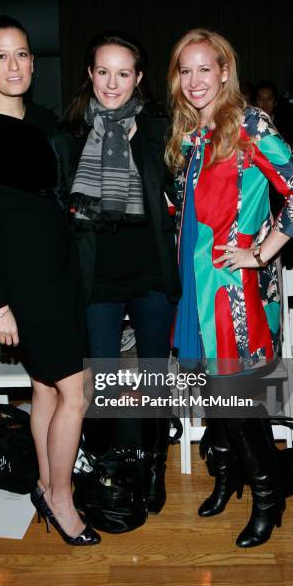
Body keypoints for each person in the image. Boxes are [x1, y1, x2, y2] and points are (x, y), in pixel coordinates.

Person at [166, 29, 293, 547]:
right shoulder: (194, 134)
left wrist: (259, 251)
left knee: (236, 399)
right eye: (185, 70)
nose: (194, 80)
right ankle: (229, 475)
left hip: (229, 290)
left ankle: (268, 497)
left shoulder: (249, 124)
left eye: (204, 68)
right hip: (194, 288)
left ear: (225, 72)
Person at [0, 16, 100, 546]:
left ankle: (43, 482)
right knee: (75, 391)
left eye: (22, 55)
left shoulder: (44, 121)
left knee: (45, 390)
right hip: (22, 285)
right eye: (1, 56)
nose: (13, 66)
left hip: (60, 274)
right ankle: (61, 500)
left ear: (34, 63)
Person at [57, 31, 181, 514]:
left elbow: (185, 190)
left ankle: (152, 467)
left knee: (153, 376)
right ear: (89, 75)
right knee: (98, 382)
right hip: (97, 279)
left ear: (139, 79)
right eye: (103, 71)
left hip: (151, 272)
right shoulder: (67, 137)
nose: (113, 82)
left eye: (123, 73)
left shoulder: (158, 129)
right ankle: (110, 467)